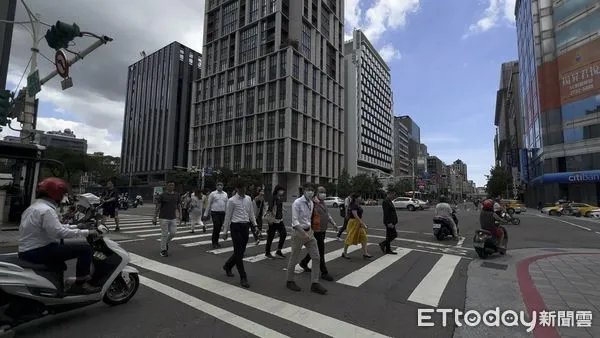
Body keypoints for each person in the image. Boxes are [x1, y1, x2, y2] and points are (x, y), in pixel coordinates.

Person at [18, 177, 100, 294]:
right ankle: (81, 284)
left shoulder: (33, 208)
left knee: (62, 245)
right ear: (55, 194)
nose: (62, 198)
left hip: (29, 249)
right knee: (85, 248)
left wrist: (78, 226)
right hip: (37, 250)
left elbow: (55, 228)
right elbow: (59, 232)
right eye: (62, 195)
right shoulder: (46, 210)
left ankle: (58, 285)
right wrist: (87, 232)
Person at [286, 182, 327, 294]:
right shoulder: (297, 203)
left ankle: (315, 283)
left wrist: (310, 231)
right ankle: (289, 281)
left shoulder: (311, 203)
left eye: (312, 190)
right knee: (294, 258)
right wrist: (303, 233)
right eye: (308, 189)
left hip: (309, 232)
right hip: (298, 233)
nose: (310, 192)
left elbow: (310, 218)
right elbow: (294, 221)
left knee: (316, 257)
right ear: (303, 190)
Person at [298, 185, 338, 281]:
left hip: (322, 230)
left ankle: (304, 262)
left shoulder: (323, 203)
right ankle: (324, 272)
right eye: (321, 192)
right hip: (316, 230)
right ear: (317, 193)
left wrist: (333, 223)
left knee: (316, 249)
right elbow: (306, 215)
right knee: (320, 251)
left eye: (324, 192)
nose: (323, 194)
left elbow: (326, 214)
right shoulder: (312, 203)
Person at [222, 180, 257, 288]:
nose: (243, 190)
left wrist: (255, 226)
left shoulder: (248, 199)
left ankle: (228, 266)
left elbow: (251, 213)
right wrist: (225, 231)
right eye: (240, 188)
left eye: (244, 188)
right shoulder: (231, 201)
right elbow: (228, 216)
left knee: (241, 252)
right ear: (236, 189)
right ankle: (243, 277)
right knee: (238, 252)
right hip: (235, 226)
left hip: (245, 226)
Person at [154, 180, 181, 257]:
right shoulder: (162, 195)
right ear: (166, 186)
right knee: (164, 234)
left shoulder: (177, 195)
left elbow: (179, 205)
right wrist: (154, 217)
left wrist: (180, 215)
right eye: (170, 185)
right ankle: (163, 250)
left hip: (173, 217)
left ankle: (166, 243)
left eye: (173, 185)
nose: (171, 186)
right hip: (163, 218)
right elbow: (158, 207)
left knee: (173, 233)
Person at [341, 193, 372, 259]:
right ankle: (344, 252)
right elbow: (356, 216)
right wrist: (363, 223)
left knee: (364, 237)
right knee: (350, 237)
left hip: (358, 222)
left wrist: (361, 223)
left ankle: (365, 253)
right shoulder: (353, 205)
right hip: (353, 222)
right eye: (360, 197)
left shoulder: (357, 204)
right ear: (356, 198)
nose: (361, 198)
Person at [204, 182, 229, 249]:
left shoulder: (225, 194)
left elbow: (227, 205)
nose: (220, 186)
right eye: (218, 185)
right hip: (215, 213)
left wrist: (227, 214)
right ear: (216, 186)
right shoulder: (213, 194)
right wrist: (205, 214)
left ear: (223, 186)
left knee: (219, 228)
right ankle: (214, 242)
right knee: (216, 226)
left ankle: (216, 242)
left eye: (221, 185)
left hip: (222, 213)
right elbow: (209, 204)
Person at [265, 185, 287, 259]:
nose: (283, 192)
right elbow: (270, 208)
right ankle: (267, 252)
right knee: (271, 236)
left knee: (284, 234)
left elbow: (279, 206)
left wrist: (283, 209)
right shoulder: (273, 197)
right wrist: (270, 219)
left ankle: (278, 251)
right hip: (273, 220)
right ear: (277, 190)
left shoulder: (279, 197)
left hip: (279, 219)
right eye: (281, 190)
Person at [379, 189, 398, 254]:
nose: (394, 196)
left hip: (391, 221)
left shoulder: (389, 201)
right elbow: (386, 213)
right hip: (389, 222)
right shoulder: (386, 201)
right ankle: (382, 243)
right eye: (394, 195)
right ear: (390, 194)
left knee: (389, 236)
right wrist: (389, 222)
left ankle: (388, 249)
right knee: (394, 235)